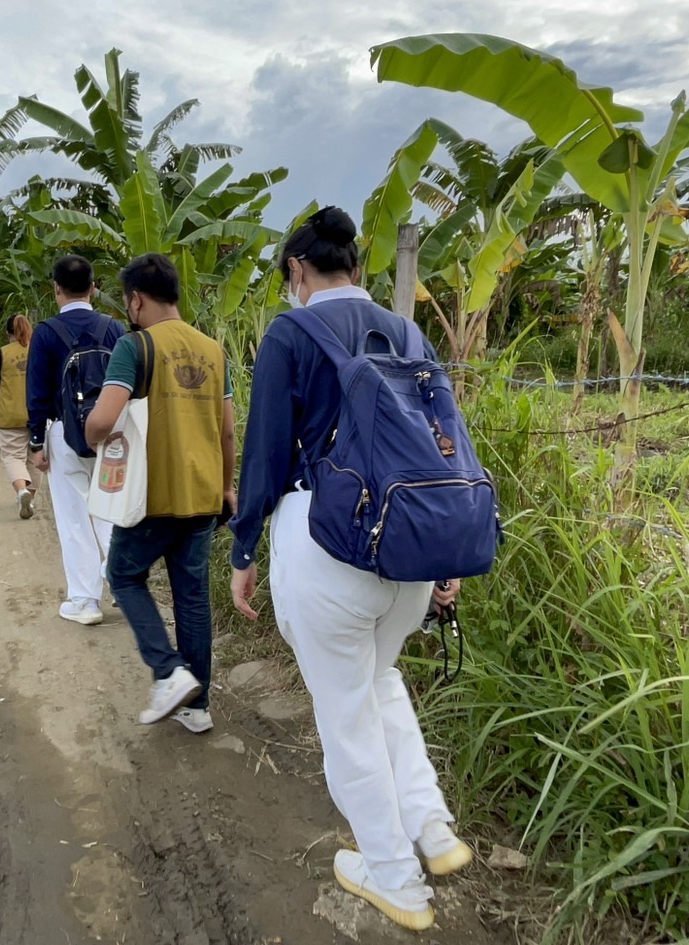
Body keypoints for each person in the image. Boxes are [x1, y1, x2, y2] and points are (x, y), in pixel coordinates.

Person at [227, 207, 471, 932]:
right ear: (358, 269)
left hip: (324, 539)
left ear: (297, 271)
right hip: (410, 543)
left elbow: (266, 454)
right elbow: (447, 443)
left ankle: (394, 877)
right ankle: (432, 829)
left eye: (287, 276)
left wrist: (244, 550)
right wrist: (446, 552)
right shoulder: (408, 332)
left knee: (345, 713)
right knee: (379, 679)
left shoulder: (289, 332)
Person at [85, 253, 236, 733]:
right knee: (191, 597)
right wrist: (228, 487)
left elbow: (106, 419)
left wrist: (90, 435)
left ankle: (169, 671)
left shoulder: (136, 346)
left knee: (123, 576)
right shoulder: (214, 350)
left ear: (135, 300)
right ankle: (197, 706)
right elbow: (228, 432)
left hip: (153, 496)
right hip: (203, 494)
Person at [27, 255, 123, 625]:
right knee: (110, 511)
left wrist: (36, 443)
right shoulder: (113, 328)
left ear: (56, 289)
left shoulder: (47, 332)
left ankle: (85, 601)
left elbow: (36, 394)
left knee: (73, 519)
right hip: (112, 434)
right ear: (94, 287)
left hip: (63, 435)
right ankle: (120, 577)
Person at [0, 313, 37, 520]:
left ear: (8, 334)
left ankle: (21, 491)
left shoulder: (2, 354)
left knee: (13, 456)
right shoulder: (39, 350)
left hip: (11, 416)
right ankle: (30, 499)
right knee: (36, 458)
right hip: (38, 414)